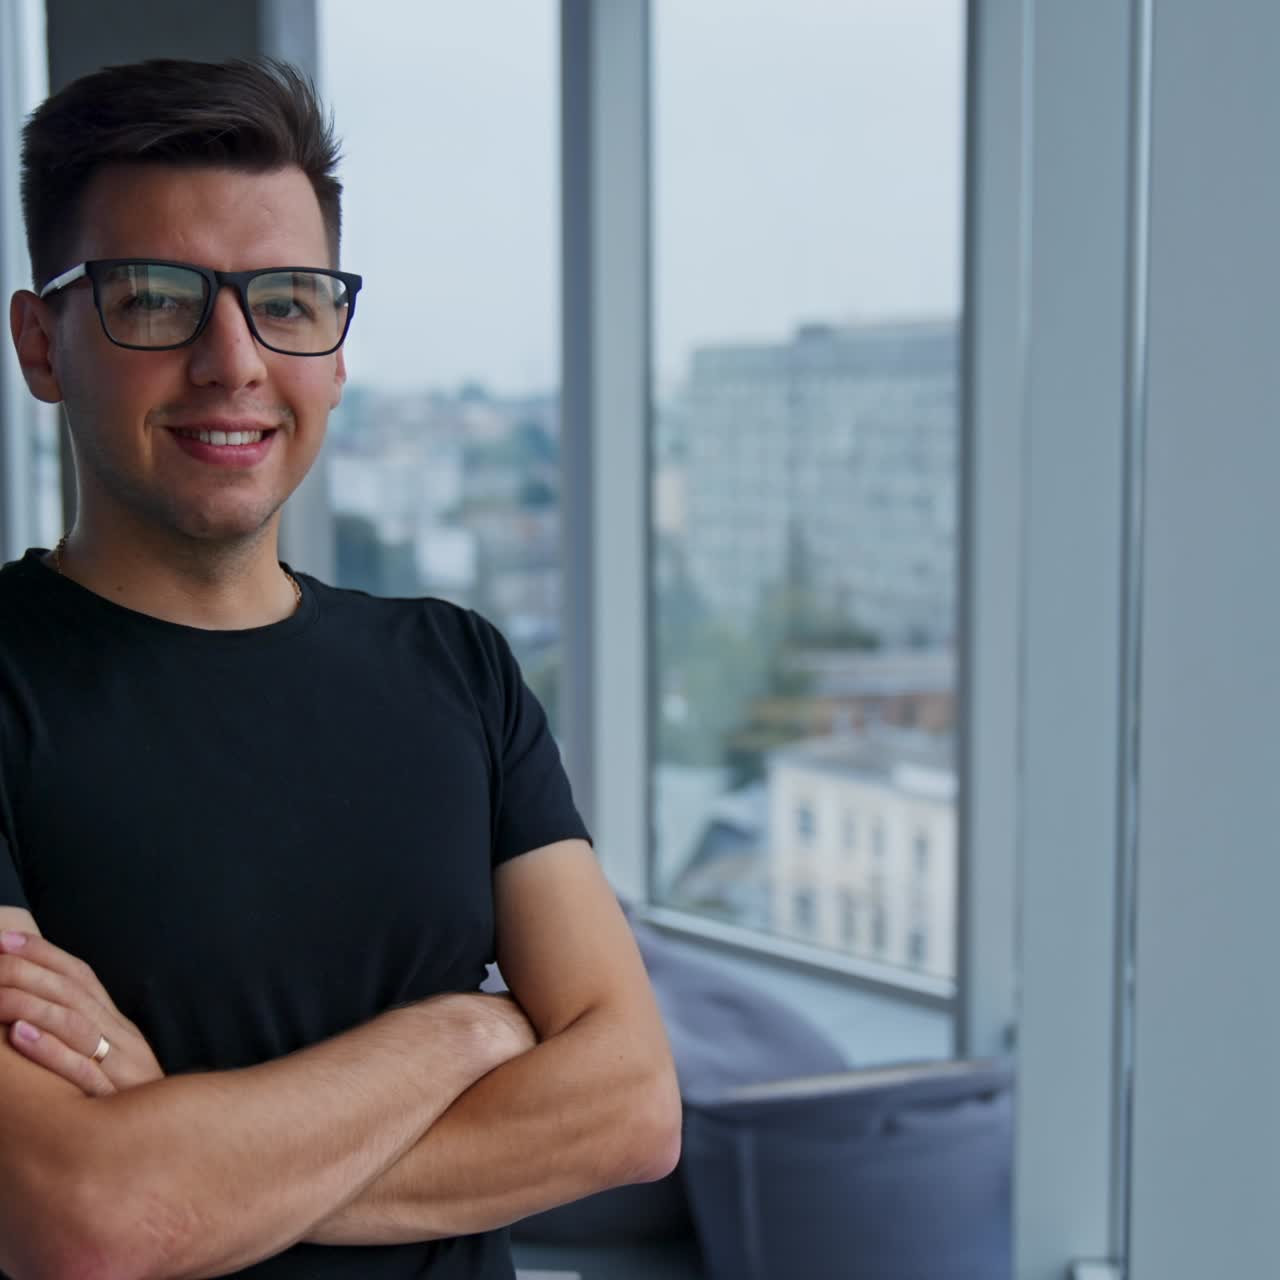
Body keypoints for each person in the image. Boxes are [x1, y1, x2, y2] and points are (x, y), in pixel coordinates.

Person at [0, 57, 680, 1280]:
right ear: (41, 343)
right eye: (153, 298)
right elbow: (84, 1214)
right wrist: (463, 1031)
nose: (232, 360)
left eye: (287, 300)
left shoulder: (458, 668)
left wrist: (191, 1167)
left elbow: (629, 1105)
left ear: (336, 345)